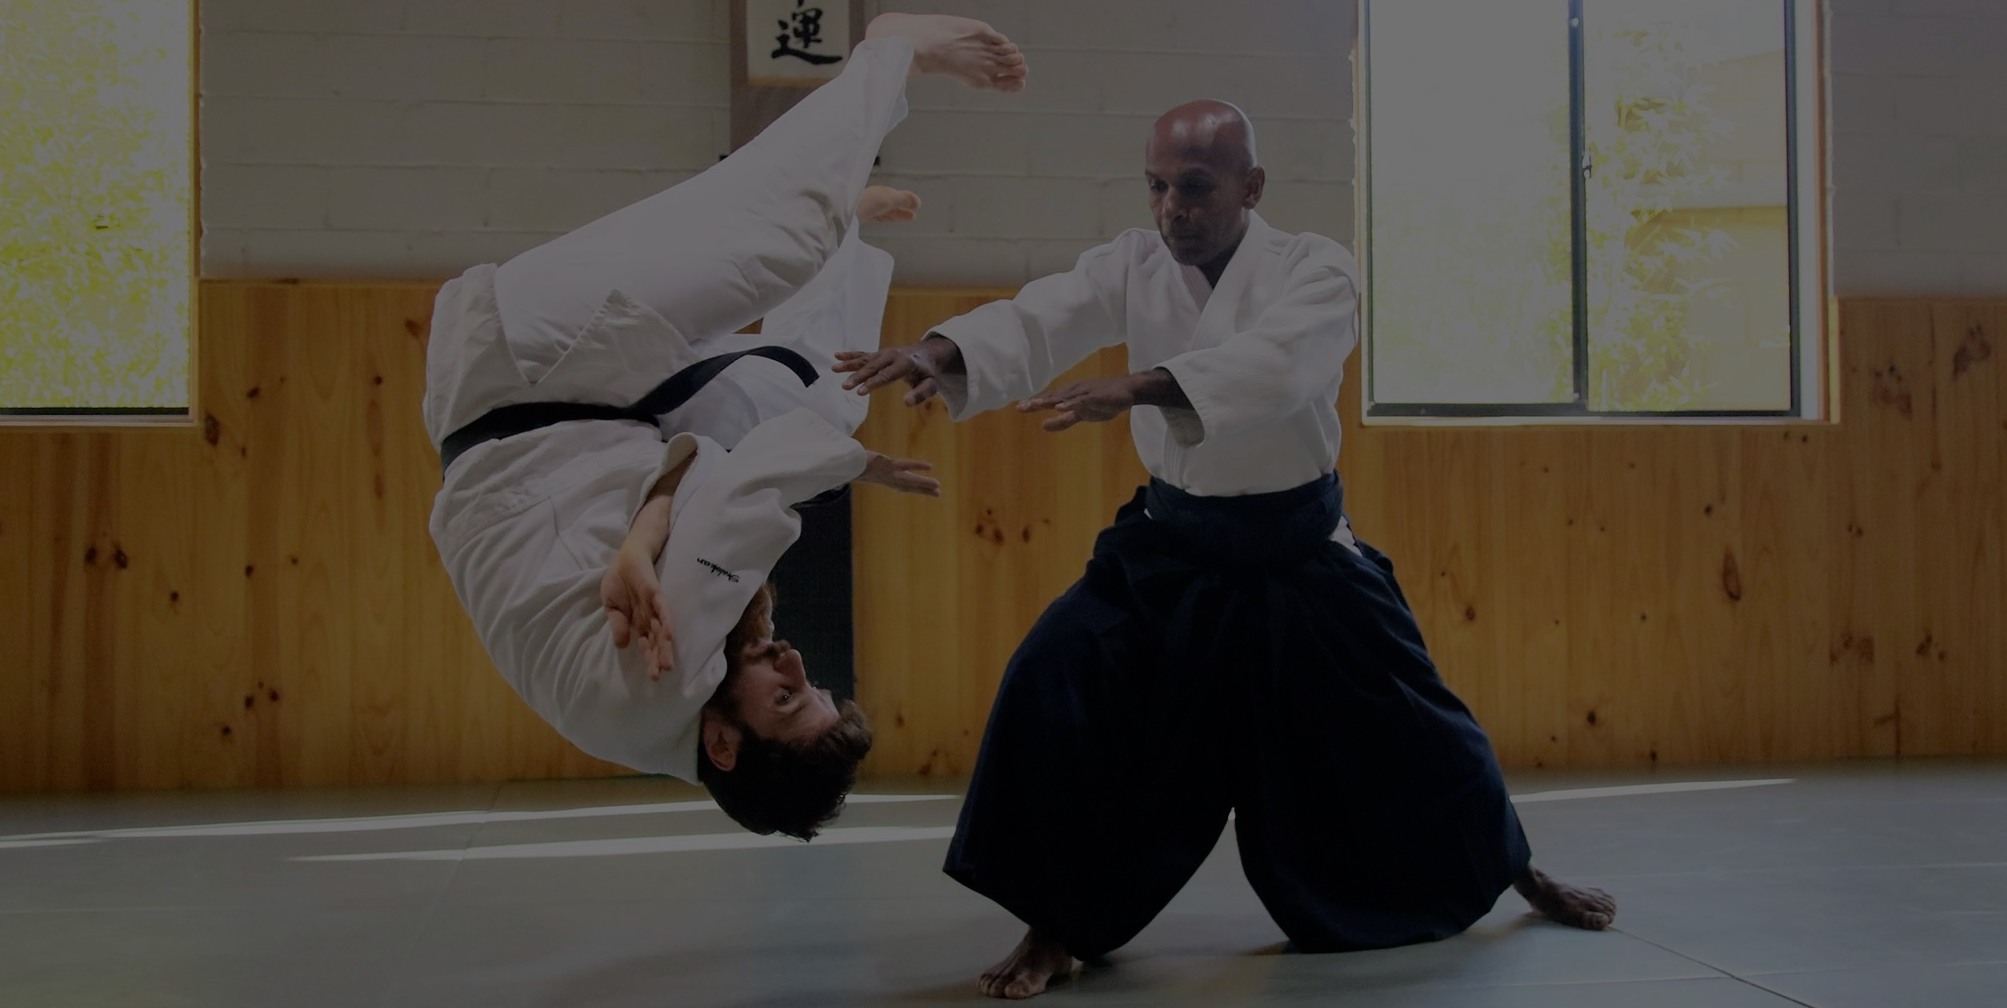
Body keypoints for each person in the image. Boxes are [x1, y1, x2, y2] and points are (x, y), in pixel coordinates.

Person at [836, 99, 1616, 998]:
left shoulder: (1313, 269)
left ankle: (1516, 873)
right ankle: (1055, 925)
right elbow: (1044, 314)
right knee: (1056, 679)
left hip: (1299, 547)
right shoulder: (1135, 261)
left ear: (1250, 187)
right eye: (1158, 187)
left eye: (1195, 187)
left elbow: (1282, 367)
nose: (1171, 207)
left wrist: (1134, 387)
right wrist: (941, 351)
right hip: (1175, 545)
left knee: (1423, 729)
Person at [420, 14, 1027, 840]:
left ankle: (891, 53)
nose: (792, 661)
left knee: (787, 243)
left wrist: (851, 468)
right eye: (807, 683)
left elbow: (750, 483)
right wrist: (639, 541)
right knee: (823, 396)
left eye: (785, 697)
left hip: (534, 361)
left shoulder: (663, 683)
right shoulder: (659, 710)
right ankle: (839, 224)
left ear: (723, 746)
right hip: (563, 403)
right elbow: (701, 471)